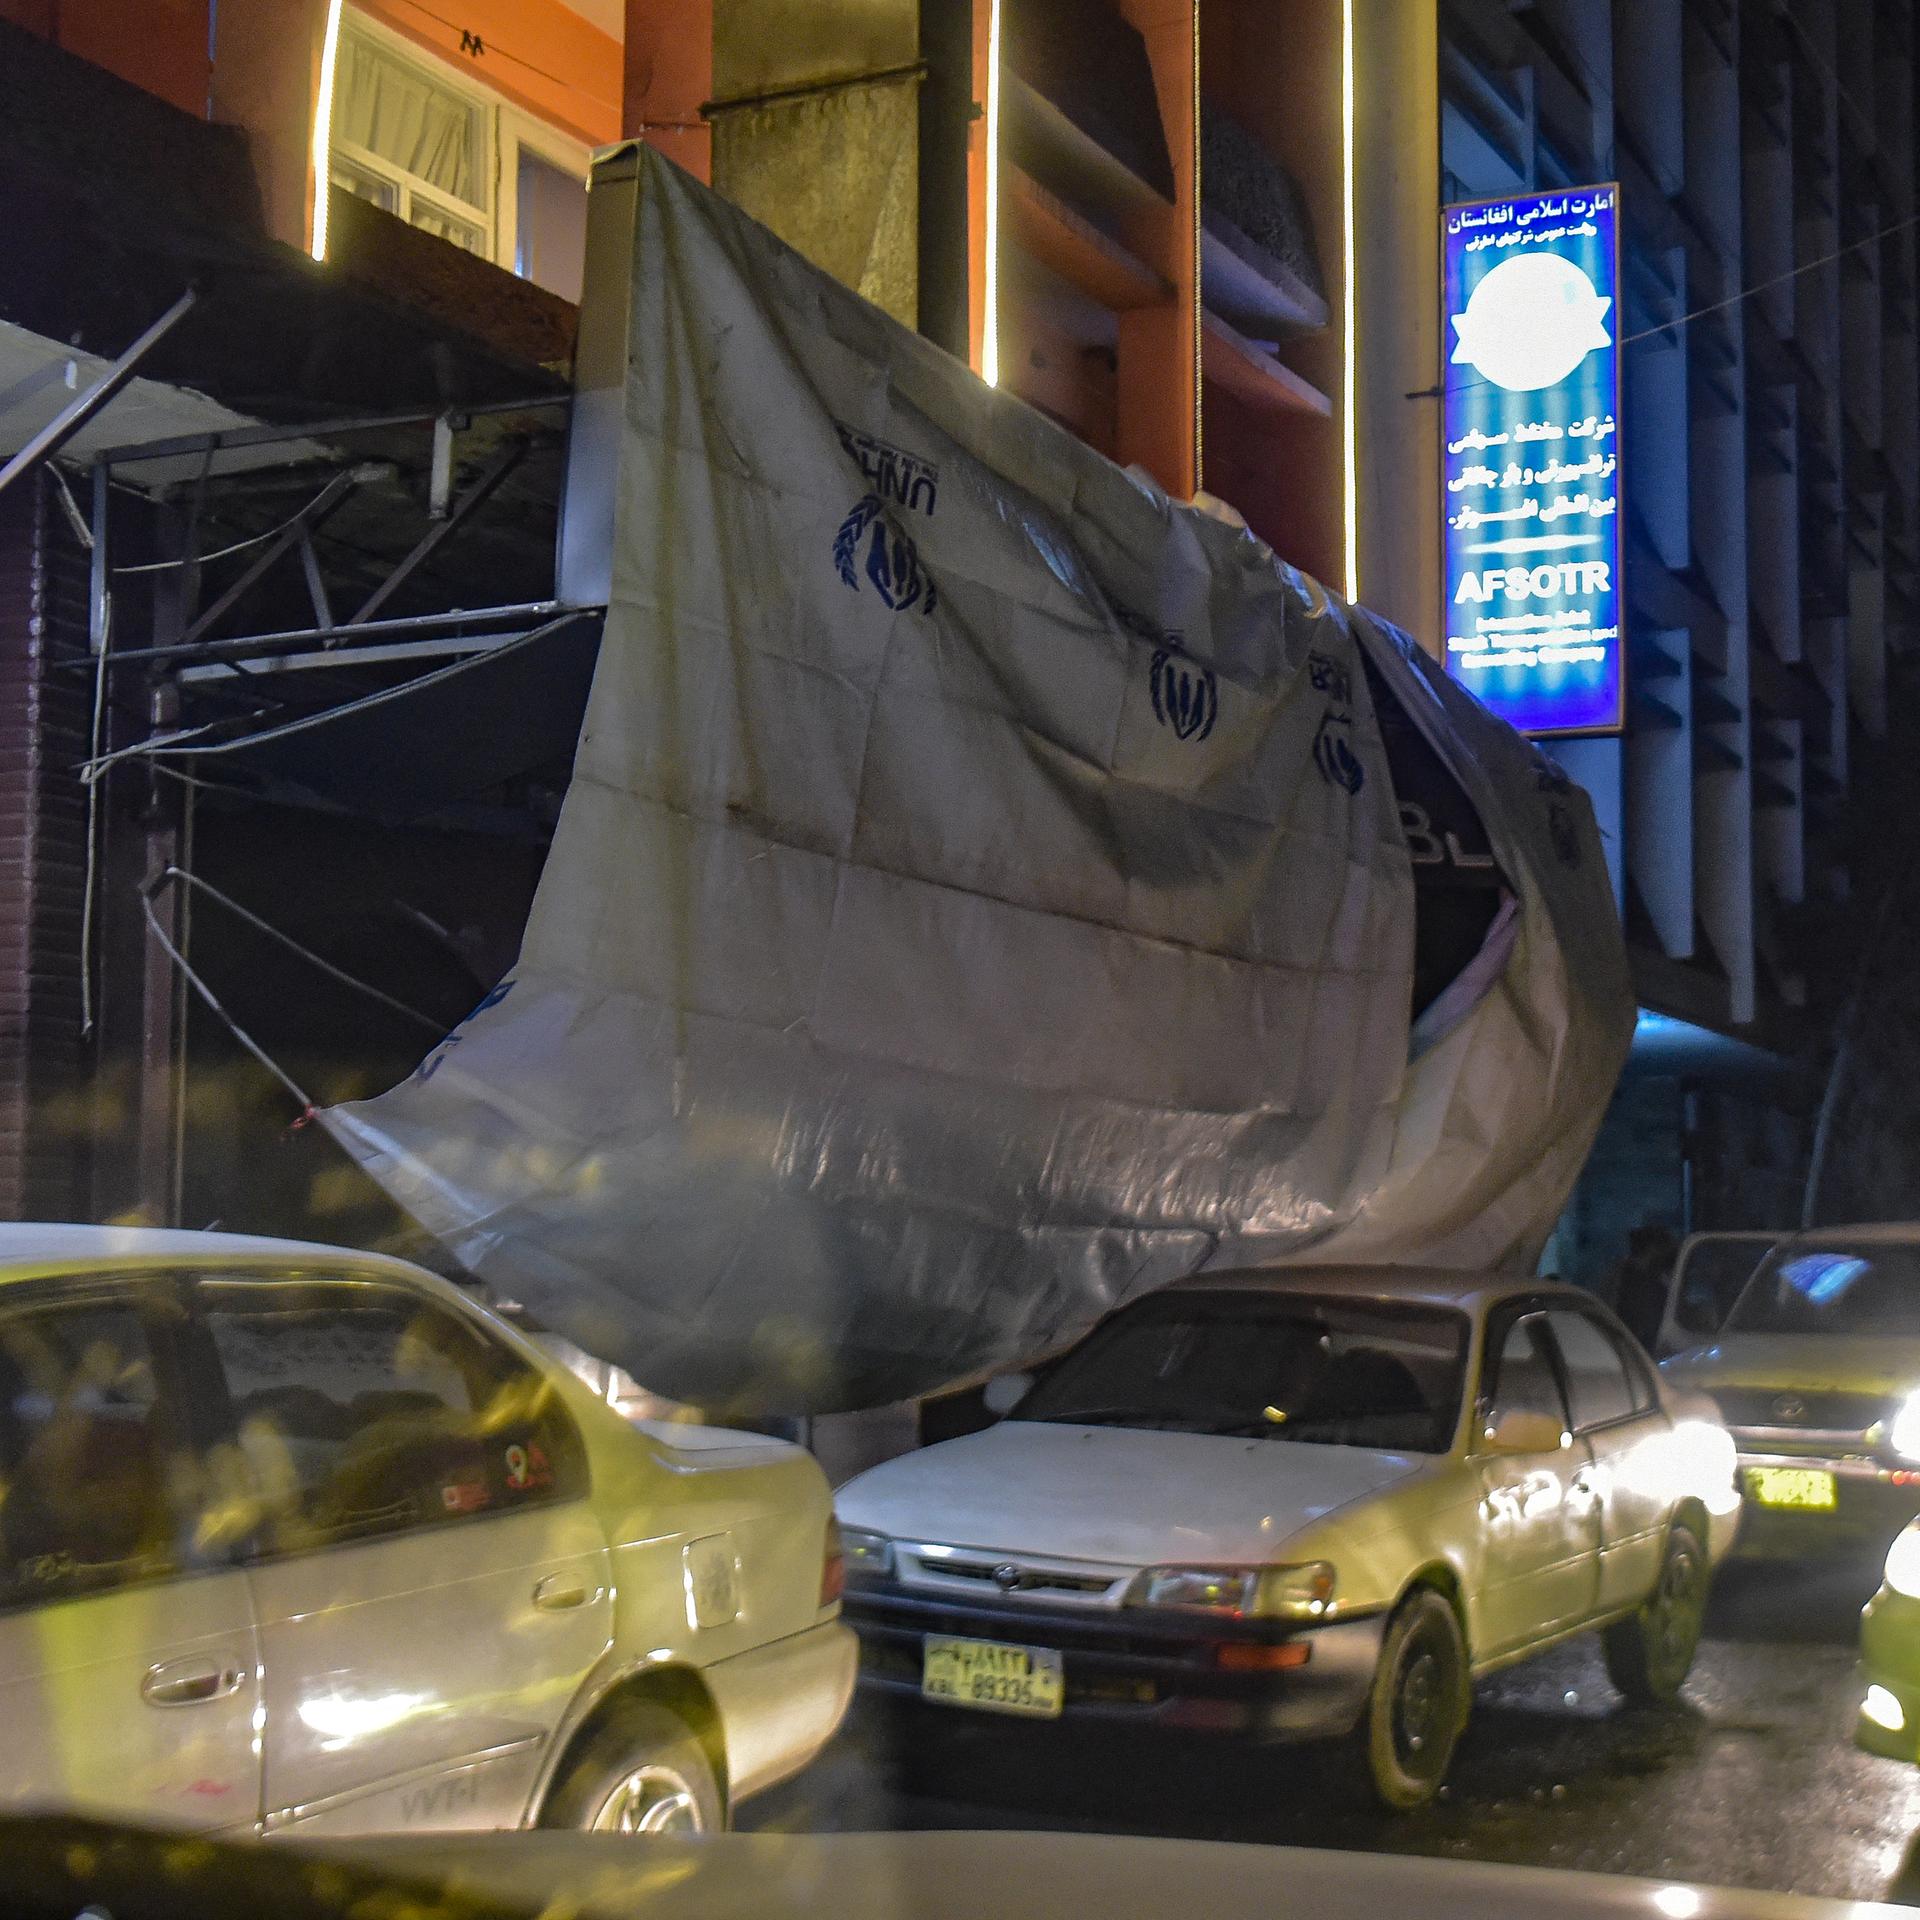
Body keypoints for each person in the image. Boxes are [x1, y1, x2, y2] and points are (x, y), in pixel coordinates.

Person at [1612, 1222, 1681, 1355]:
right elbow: (1647, 1322)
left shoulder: (1626, 1275)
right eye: (1663, 1248)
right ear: (1652, 1249)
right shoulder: (1638, 1282)